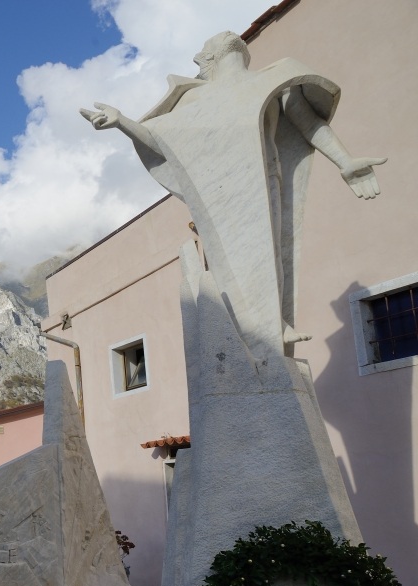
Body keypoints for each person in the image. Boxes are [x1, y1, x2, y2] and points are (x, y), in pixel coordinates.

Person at [81, 32, 385, 358]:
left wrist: (345, 161)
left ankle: (271, 323)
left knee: (272, 252)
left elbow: (307, 124)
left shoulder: (275, 81)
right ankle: (258, 329)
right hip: (222, 193)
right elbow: (159, 141)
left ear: (213, 57)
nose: (198, 63)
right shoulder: (196, 100)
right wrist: (122, 122)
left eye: (202, 55)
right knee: (235, 260)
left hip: (265, 177)